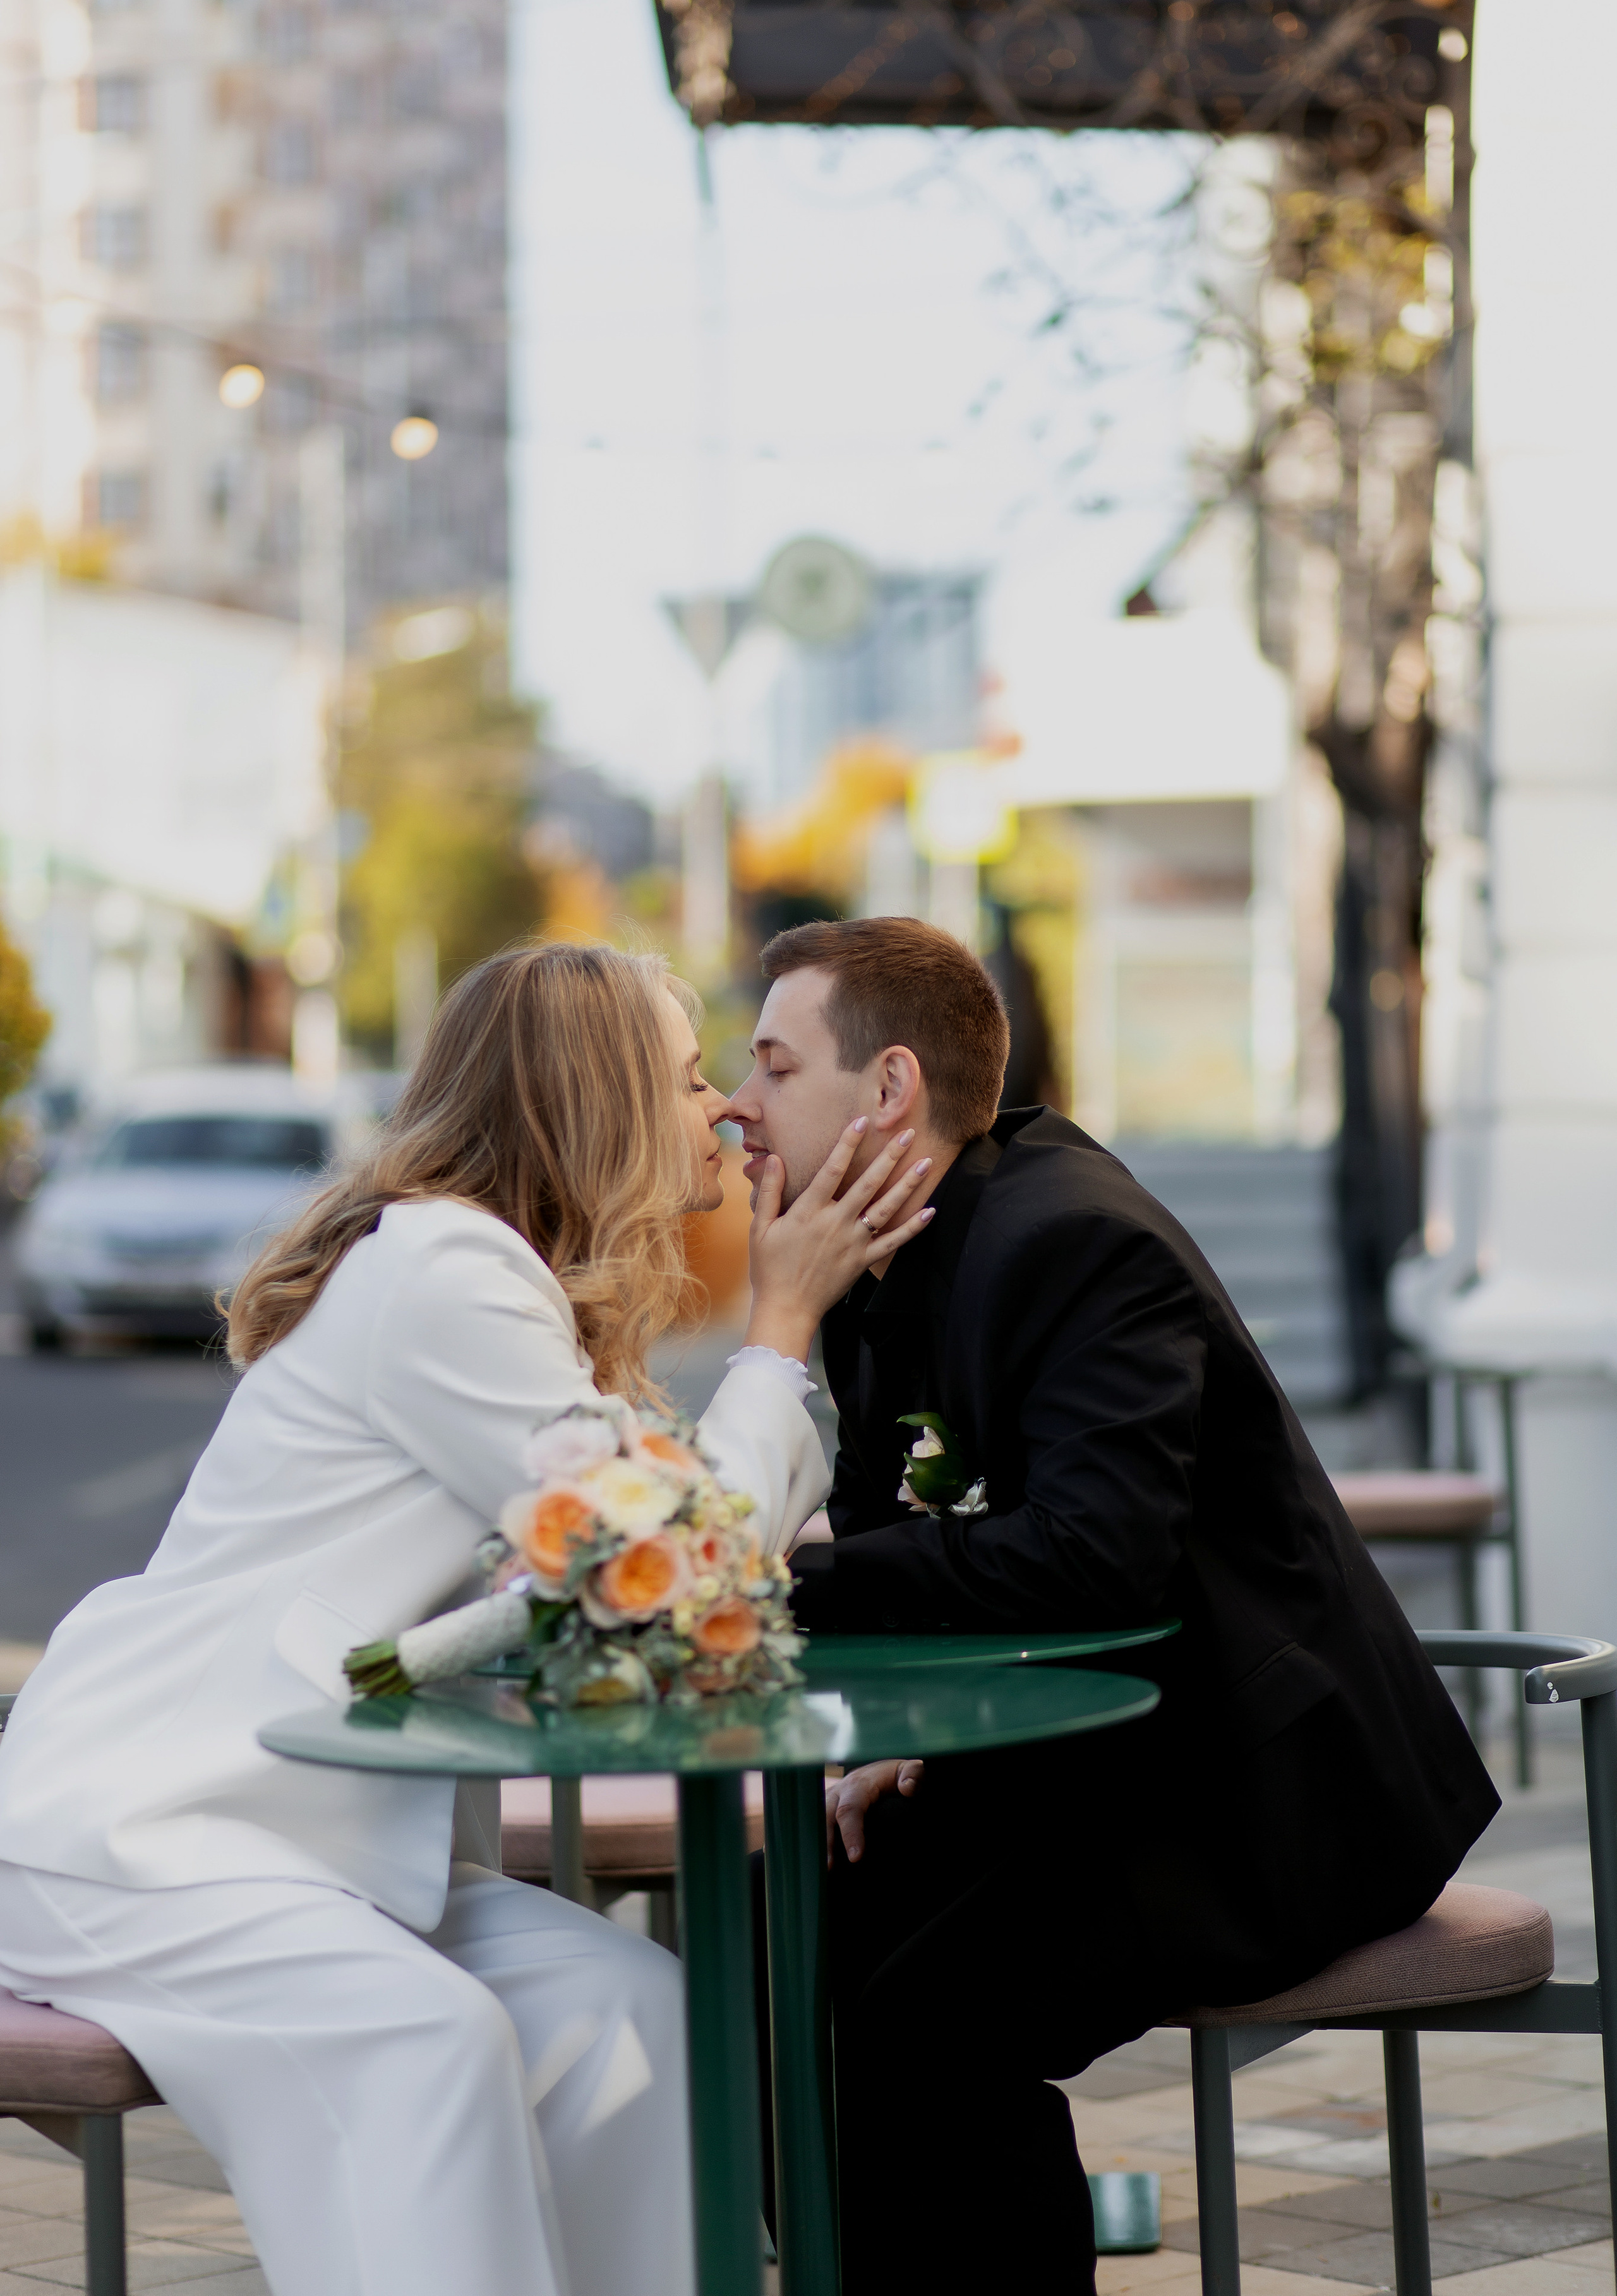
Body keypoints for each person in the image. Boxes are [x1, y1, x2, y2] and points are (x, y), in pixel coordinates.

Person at [0, 940, 934, 2296]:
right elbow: (676, 1556)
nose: (724, 1108)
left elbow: (653, 1550)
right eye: (688, 1079)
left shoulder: (494, 1278)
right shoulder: (444, 1271)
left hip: (313, 1845)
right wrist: (780, 1321)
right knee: (427, 2045)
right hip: (149, 1832)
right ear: (599, 1101)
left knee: (633, 2013)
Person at [731, 914, 1500, 2296]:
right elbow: (900, 1520)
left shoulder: (1073, 1239)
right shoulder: (870, 1255)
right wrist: (903, 1731)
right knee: (772, 1939)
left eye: (774, 1067)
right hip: (1088, 1757)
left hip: (1256, 1788)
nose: (739, 1105)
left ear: (890, 1087)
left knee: (928, 2018)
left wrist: (781, 1587)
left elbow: (1092, 1556)